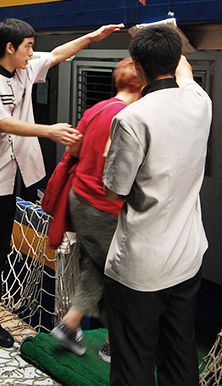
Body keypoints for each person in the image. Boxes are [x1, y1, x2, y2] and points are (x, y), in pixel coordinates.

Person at [0, 18, 124, 369]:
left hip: (6, 185)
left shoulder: (24, 69)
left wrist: (94, 36)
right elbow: (2, 123)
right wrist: (47, 131)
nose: (33, 53)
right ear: (10, 48)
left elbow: (59, 55)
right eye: (29, 46)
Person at [102, 25, 212, 385]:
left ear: (136, 66)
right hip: (186, 259)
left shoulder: (132, 118)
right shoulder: (199, 101)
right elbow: (186, 72)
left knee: (133, 363)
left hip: (141, 268)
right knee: (180, 356)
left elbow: (115, 191)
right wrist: (170, 35)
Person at [50, 58, 143, 363]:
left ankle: (70, 325)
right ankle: (112, 345)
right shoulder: (133, 115)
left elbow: (74, 150)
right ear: (143, 84)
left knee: (98, 267)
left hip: (81, 200)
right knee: (121, 274)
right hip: (106, 207)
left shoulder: (97, 108)